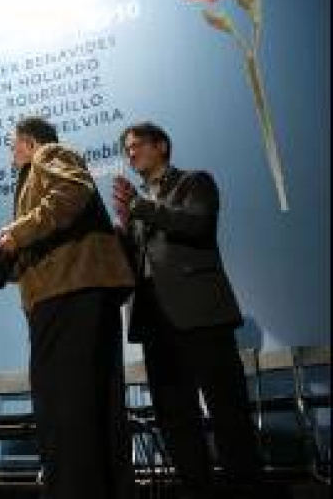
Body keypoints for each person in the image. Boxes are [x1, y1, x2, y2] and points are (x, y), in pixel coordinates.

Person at [113, 122, 267, 499]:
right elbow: (137, 262)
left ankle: (246, 487)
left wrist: (139, 207)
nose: (131, 153)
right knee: (174, 416)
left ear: (162, 146)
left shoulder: (194, 182)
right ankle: (196, 488)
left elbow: (197, 226)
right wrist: (123, 230)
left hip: (201, 315)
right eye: (127, 149)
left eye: (137, 145)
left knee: (227, 410)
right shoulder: (137, 204)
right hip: (154, 319)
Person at [0, 117, 134, 499]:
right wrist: (3, 260)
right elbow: (53, 234)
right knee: (89, 401)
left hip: (68, 295)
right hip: (72, 292)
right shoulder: (34, 172)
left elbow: (72, 192)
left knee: (65, 404)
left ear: (28, 142)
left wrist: (17, 233)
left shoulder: (49, 153)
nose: (10, 153)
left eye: (12, 145)